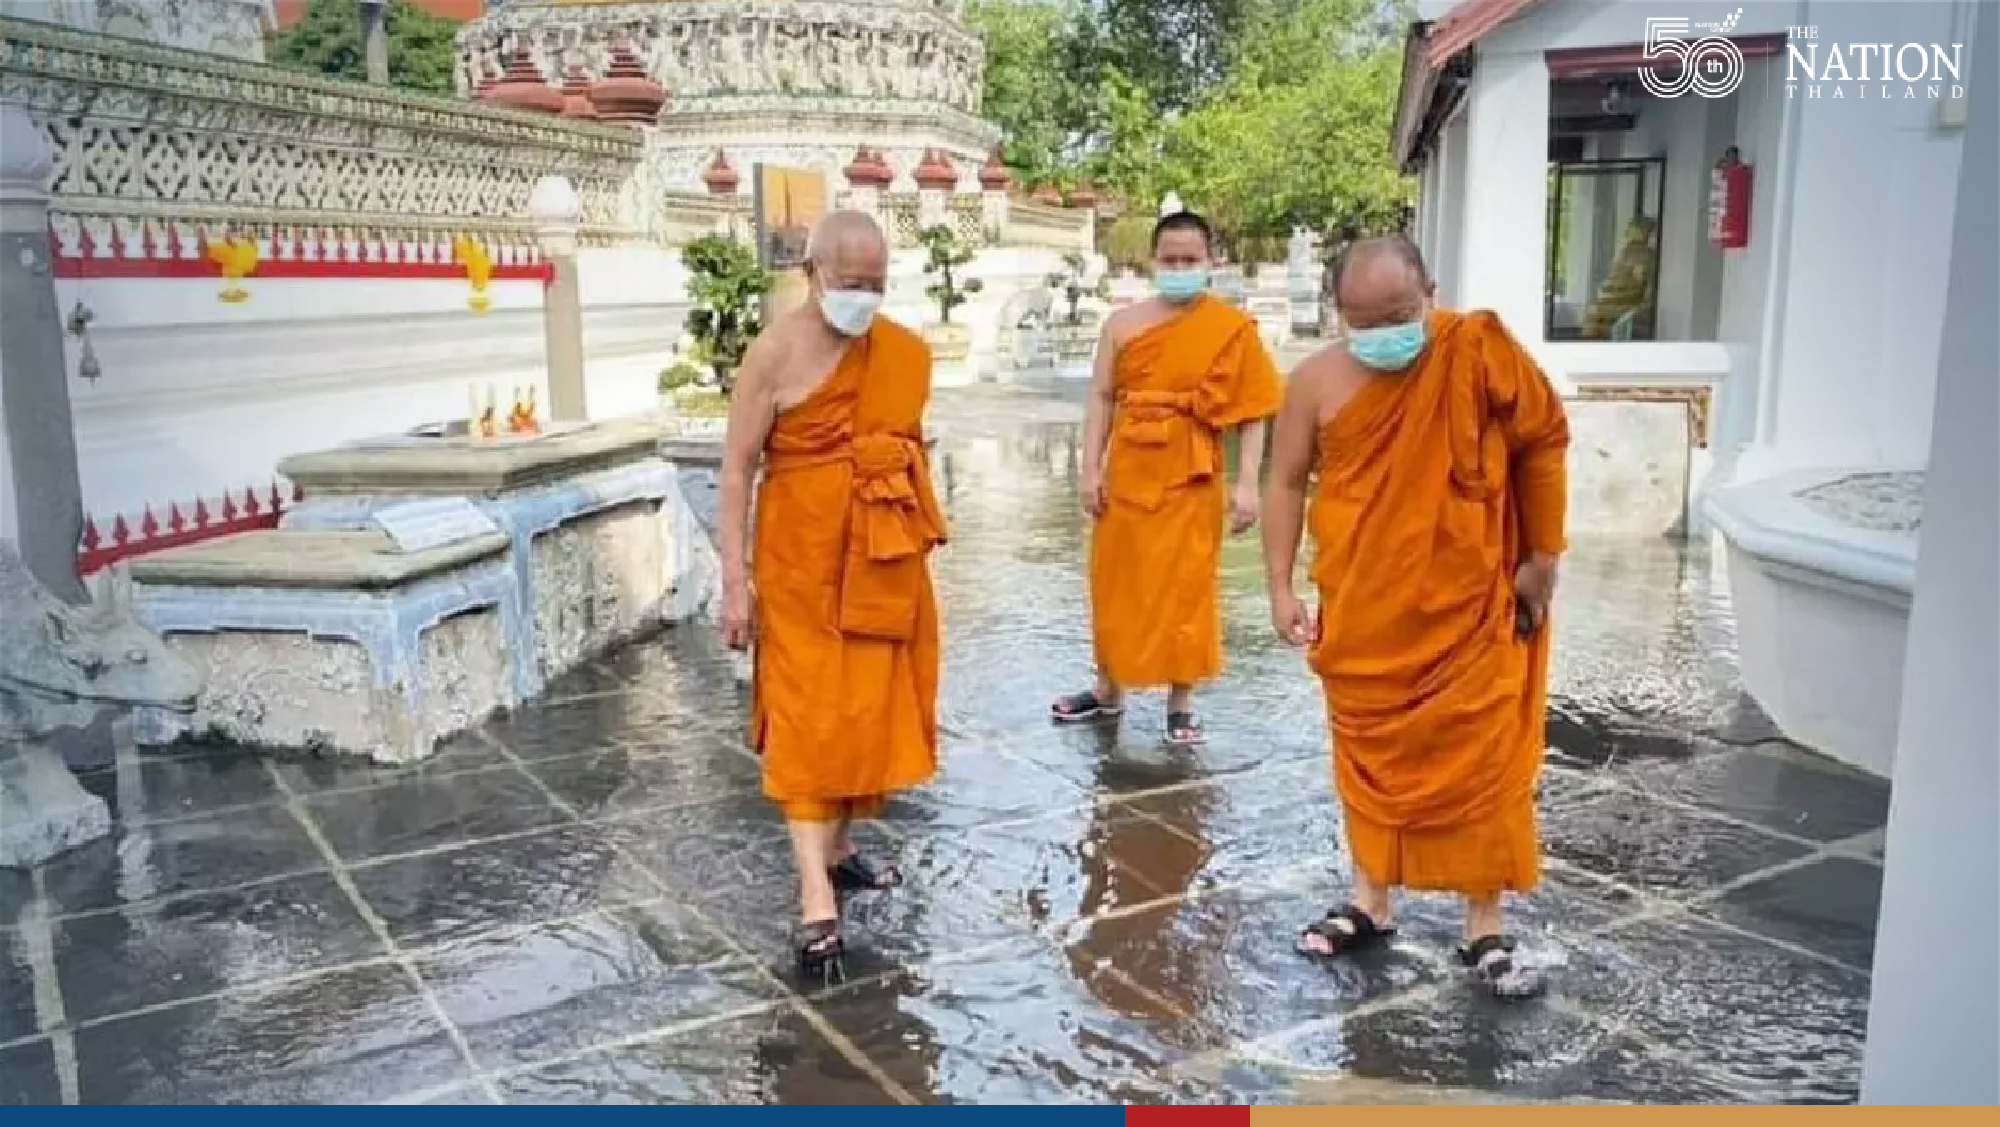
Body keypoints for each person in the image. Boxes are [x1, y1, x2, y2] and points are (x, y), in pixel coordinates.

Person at [1261, 235, 1569, 997]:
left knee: (1482, 759)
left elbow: (1542, 442)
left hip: (1471, 604)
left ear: (1430, 291)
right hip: (1365, 608)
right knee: (1370, 755)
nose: (1385, 333)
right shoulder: (1314, 381)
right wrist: (1279, 587)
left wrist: (1542, 557)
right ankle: (1370, 898)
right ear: (1339, 312)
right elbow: (1286, 482)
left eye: (1400, 314)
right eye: (1365, 321)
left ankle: (1484, 923)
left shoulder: (1478, 351)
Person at [717, 211, 946, 983]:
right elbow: (736, 467)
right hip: (800, 566)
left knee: (867, 710)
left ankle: (840, 846)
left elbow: (904, 443)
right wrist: (734, 580)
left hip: (880, 557)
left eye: (876, 283)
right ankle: (816, 893)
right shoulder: (773, 352)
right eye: (850, 282)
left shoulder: (901, 352)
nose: (864, 296)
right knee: (808, 720)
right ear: (811, 273)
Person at [1051, 211, 1284, 745]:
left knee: (1186, 587)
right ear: (1152, 261)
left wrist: (1248, 484)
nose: (1180, 268)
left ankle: (1181, 703)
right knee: (1114, 582)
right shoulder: (1122, 325)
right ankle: (1108, 689)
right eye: (1170, 260)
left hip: (1190, 474)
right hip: (1129, 470)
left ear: (1212, 261)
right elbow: (1102, 397)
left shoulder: (1230, 329)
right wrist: (1090, 468)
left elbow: (1254, 411)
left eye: (1190, 260)